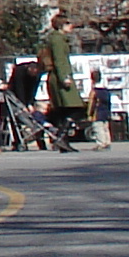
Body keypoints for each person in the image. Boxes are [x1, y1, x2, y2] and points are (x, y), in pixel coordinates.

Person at [38, 12, 86, 153]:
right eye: (68, 23)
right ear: (61, 25)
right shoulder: (57, 39)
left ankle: (62, 141)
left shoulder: (57, 38)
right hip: (60, 77)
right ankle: (61, 137)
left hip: (56, 77)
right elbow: (60, 59)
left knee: (62, 111)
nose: (71, 26)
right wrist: (64, 76)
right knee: (77, 108)